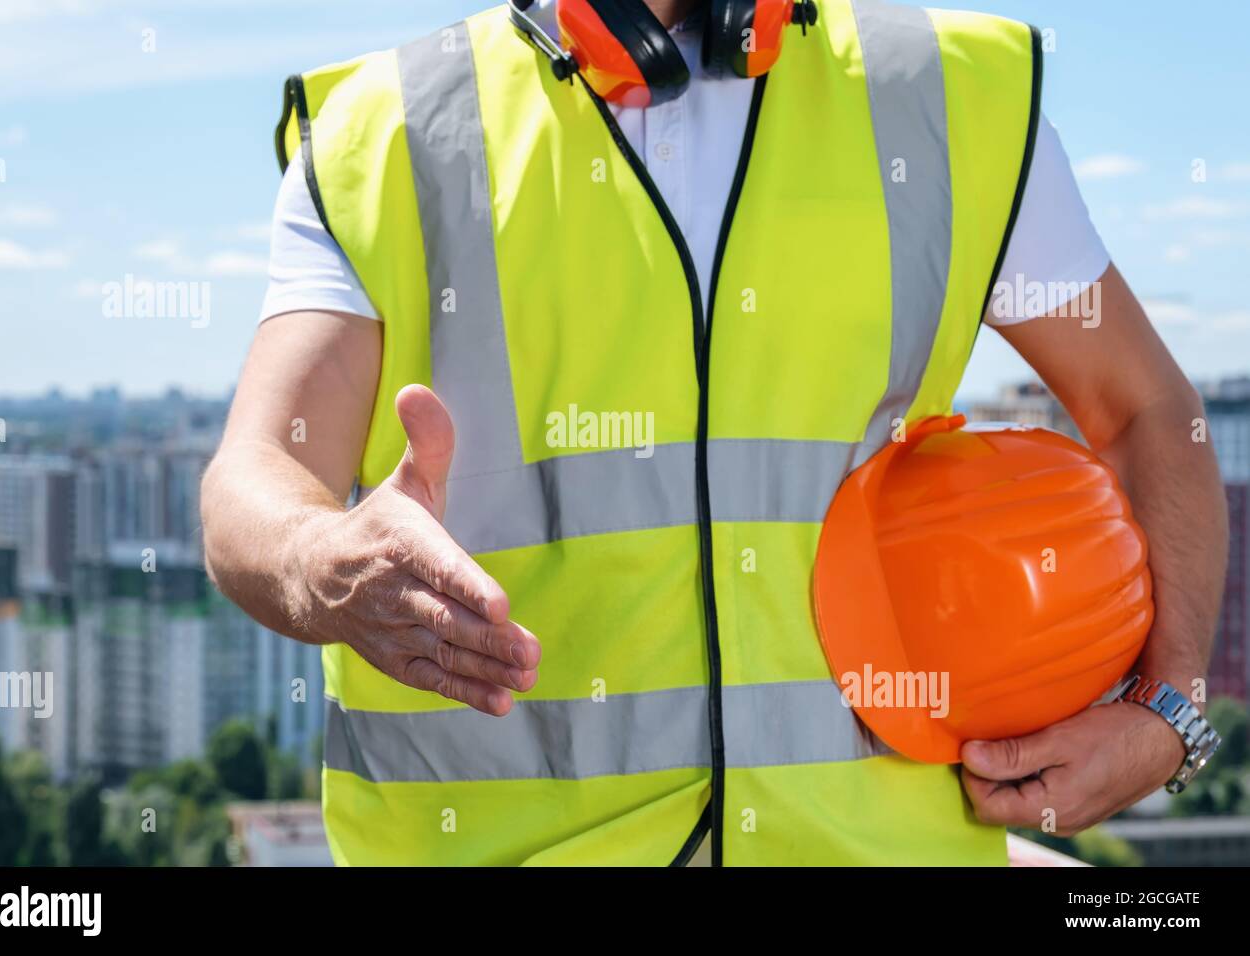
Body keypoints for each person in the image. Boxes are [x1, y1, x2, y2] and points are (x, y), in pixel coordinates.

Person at [200, 0, 1229, 865]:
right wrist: (323, 556)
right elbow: (257, 474)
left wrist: (1170, 711)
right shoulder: (388, 134)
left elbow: (1145, 410)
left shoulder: (947, 95)